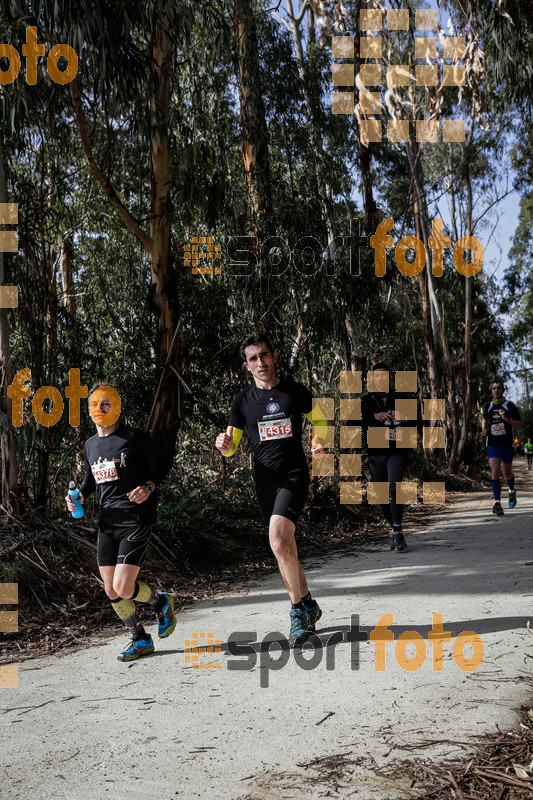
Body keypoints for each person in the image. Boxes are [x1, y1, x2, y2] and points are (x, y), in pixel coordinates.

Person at [215, 333, 326, 647]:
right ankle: (308, 604)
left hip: (293, 474)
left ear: (274, 356)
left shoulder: (294, 392)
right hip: (264, 480)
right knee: (284, 547)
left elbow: (321, 421)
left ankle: (298, 613)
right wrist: (223, 445)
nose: (260, 362)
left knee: (278, 540)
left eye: (264, 355)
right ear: (246, 365)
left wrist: (317, 442)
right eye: (253, 358)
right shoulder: (242, 402)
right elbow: (232, 445)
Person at [65, 382, 175, 661]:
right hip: (107, 521)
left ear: (116, 406)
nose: (101, 409)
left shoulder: (133, 437)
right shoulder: (90, 445)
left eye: (106, 403)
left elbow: (164, 461)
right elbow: (90, 482)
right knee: (110, 588)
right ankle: (139, 638)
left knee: (125, 587)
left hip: (136, 517)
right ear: (89, 410)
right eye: (96, 404)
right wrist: (76, 497)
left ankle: (160, 602)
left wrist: (149, 486)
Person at [361, 362, 419, 552]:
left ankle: (398, 531)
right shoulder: (366, 402)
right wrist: (374, 416)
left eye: (384, 376)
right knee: (381, 495)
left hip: (397, 450)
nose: (381, 380)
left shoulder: (401, 397)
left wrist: (404, 417)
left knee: (394, 488)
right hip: (376, 453)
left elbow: (419, 419)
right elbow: (351, 423)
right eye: (377, 376)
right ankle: (394, 528)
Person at [482, 378, 523, 515]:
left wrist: (507, 419)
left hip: (506, 444)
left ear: (503, 390)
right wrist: (483, 429)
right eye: (494, 388)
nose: (496, 390)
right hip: (492, 444)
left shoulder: (509, 406)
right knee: (495, 472)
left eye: (499, 388)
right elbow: (484, 418)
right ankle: (497, 503)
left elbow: (521, 426)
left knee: (507, 473)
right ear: (491, 390)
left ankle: (511, 490)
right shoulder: (488, 406)